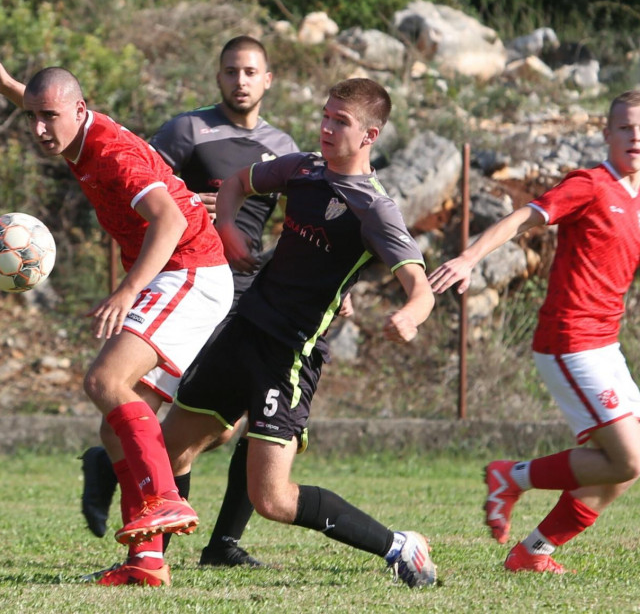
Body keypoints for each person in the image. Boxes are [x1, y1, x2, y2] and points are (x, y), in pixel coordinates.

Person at [152, 77, 438, 588]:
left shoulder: (374, 207)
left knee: (274, 501)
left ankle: (401, 546)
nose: (326, 128)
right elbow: (238, 183)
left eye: (341, 122)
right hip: (242, 330)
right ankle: (149, 565)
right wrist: (230, 229)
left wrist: (410, 315)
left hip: (289, 354)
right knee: (169, 448)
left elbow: (421, 286)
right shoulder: (303, 168)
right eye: (325, 115)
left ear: (370, 136)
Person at [0, 64, 234, 587]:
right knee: (114, 430)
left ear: (80, 110)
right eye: (32, 118)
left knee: (104, 381)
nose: (39, 129)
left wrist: (127, 291)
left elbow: (170, 221)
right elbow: (33, 96)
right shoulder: (70, 124)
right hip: (175, 273)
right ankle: (147, 563)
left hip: (189, 269)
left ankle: (165, 498)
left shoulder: (112, 153)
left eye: (49, 118)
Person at [80, 35, 299, 569]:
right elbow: (148, 186)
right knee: (182, 418)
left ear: (268, 80)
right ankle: (161, 541)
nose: (240, 81)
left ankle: (198, 533)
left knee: (230, 424)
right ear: (217, 76)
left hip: (249, 296)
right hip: (191, 281)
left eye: (250, 72)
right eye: (230, 71)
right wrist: (192, 202)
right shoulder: (187, 130)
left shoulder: (283, 146)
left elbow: (300, 221)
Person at [428, 89, 640, 574]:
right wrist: (468, 257)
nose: (635, 137)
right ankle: (512, 477)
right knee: (628, 458)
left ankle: (532, 553)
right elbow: (524, 218)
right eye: (625, 127)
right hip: (570, 340)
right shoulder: (590, 184)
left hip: (606, 345)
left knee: (622, 470)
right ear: (607, 134)